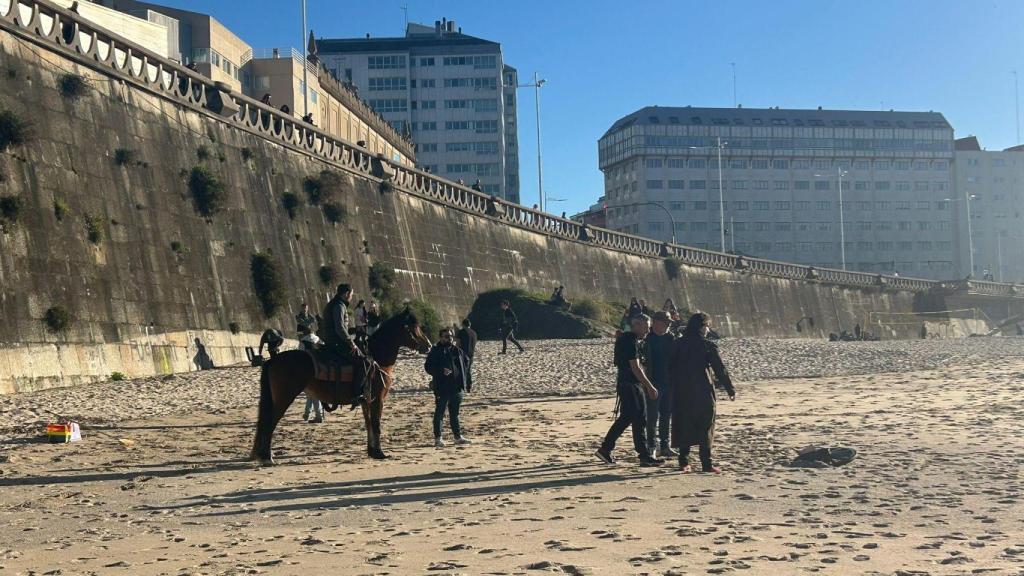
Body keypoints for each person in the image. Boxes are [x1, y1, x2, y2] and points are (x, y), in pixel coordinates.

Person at [671, 313, 736, 473]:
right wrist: (730, 388)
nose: (708, 329)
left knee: (684, 422)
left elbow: (669, 367)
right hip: (702, 388)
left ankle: (683, 462)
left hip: (681, 389)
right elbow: (720, 369)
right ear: (701, 327)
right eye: (707, 326)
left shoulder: (677, 344)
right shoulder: (706, 345)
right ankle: (706, 464)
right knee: (706, 424)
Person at [595, 314, 664, 467]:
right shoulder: (629, 340)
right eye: (646, 326)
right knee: (638, 418)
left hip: (628, 384)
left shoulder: (629, 339)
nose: (648, 329)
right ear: (637, 325)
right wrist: (649, 386)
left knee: (630, 418)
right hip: (630, 384)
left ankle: (610, 449)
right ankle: (640, 454)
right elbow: (635, 366)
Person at [424, 328, 473, 447]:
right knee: (439, 414)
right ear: (441, 338)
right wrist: (441, 371)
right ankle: (438, 438)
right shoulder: (436, 351)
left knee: (455, 414)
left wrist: (467, 383)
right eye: (446, 336)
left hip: (457, 388)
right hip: (442, 388)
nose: (449, 338)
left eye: (451, 336)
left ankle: (457, 437)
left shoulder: (457, 351)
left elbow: (466, 365)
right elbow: (428, 367)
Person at [321, 283, 366, 406]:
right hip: (337, 343)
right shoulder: (339, 306)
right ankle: (356, 395)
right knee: (363, 362)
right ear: (346, 294)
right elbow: (340, 328)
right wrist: (351, 343)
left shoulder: (332, 304)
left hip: (331, 340)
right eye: (351, 294)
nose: (351, 297)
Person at [645, 311, 677, 458]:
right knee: (652, 417)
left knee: (666, 415)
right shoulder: (647, 338)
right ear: (656, 322)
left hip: (669, 382)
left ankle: (665, 445)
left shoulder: (671, 338)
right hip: (653, 382)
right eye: (666, 322)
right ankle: (651, 446)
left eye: (669, 322)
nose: (668, 325)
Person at [298, 326, 324, 423]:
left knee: (312, 392)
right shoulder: (317, 339)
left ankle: (318, 415)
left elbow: (300, 353)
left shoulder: (303, 341)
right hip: (319, 366)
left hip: (307, 367)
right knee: (311, 392)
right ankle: (307, 413)